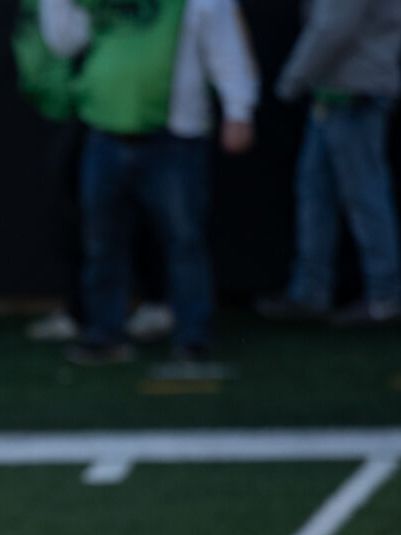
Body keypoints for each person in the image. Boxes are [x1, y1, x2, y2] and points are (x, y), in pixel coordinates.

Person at [39, 0, 258, 363]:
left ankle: (193, 336)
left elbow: (225, 44)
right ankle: (105, 334)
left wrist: (239, 109)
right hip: (105, 130)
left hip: (175, 136)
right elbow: (64, 42)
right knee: (102, 242)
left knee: (184, 240)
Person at [255, 0, 401, 327]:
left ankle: (385, 297)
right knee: (315, 192)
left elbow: (332, 28)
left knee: (364, 195)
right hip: (332, 94)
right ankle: (311, 292)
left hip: (353, 95)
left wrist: (291, 81)